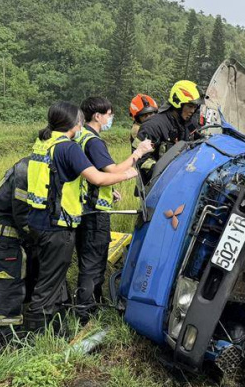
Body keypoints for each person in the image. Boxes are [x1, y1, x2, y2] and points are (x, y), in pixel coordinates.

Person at [23, 102, 147, 333]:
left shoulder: (43, 142)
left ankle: (54, 328)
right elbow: (98, 178)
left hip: (38, 220)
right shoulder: (68, 148)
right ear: (73, 123)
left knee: (50, 278)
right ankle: (36, 335)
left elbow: (61, 179)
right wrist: (129, 173)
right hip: (57, 225)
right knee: (49, 284)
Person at [73, 97, 153, 321]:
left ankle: (91, 307)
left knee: (89, 262)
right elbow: (113, 170)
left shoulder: (80, 136)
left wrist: (109, 190)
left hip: (83, 207)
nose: (111, 118)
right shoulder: (93, 141)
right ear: (97, 116)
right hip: (94, 213)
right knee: (93, 264)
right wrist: (138, 153)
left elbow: (90, 174)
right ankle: (86, 314)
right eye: (109, 114)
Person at [0, 155, 35, 346]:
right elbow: (22, 214)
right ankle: (8, 337)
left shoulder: (34, 165)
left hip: (13, 232)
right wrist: (38, 237)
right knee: (11, 283)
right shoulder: (26, 170)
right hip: (3, 234)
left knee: (25, 276)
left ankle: (23, 327)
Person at [135, 80, 204, 182]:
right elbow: (140, 158)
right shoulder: (153, 126)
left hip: (183, 180)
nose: (192, 111)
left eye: (195, 107)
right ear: (178, 103)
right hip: (156, 185)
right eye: (190, 106)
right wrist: (164, 172)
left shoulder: (190, 124)